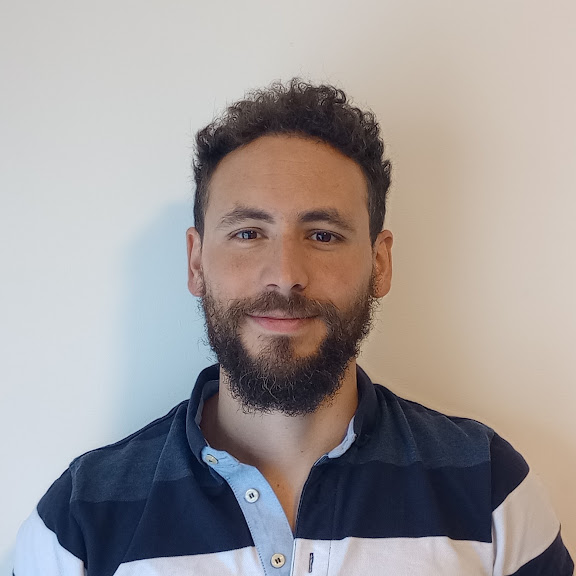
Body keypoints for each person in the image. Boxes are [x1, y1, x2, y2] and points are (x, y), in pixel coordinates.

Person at [14, 79, 573, 576]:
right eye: (248, 233)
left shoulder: (489, 489)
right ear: (195, 261)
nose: (285, 275)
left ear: (379, 263)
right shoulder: (78, 523)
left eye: (323, 235)